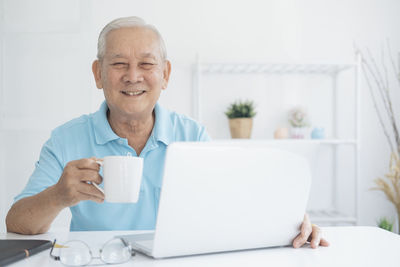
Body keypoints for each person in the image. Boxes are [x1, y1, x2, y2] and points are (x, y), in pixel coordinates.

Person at [5, 16, 328, 249]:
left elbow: (234, 205)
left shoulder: (191, 135)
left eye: (146, 64)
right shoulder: (65, 139)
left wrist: (292, 222)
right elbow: (16, 222)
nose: (133, 77)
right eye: (118, 64)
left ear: (166, 73)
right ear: (98, 73)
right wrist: (59, 195)